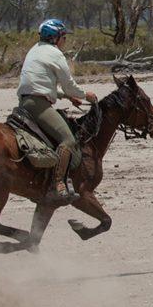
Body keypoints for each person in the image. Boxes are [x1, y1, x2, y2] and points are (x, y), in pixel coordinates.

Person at [17, 19, 97, 204]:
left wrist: (65, 97)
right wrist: (86, 96)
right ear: (56, 38)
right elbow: (70, 85)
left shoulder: (34, 49)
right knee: (68, 140)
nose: (65, 40)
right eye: (64, 37)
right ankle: (58, 183)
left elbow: (41, 84)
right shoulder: (55, 54)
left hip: (25, 101)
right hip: (38, 105)